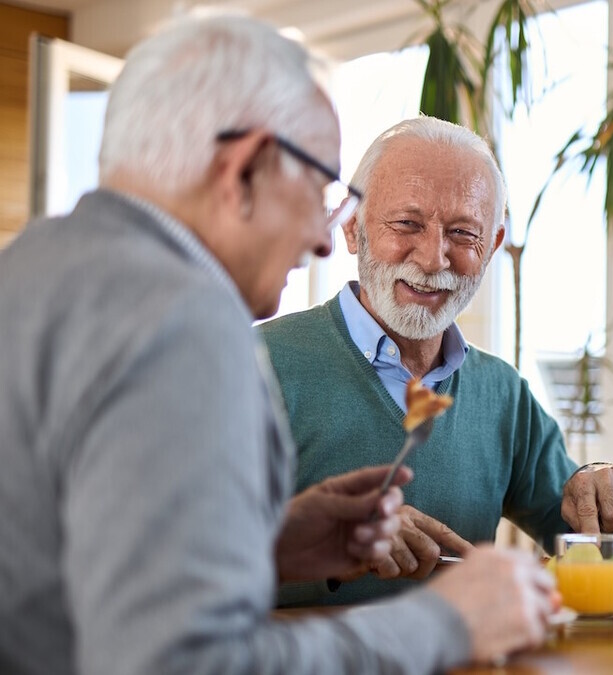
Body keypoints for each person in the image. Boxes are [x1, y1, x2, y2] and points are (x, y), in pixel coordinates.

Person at [0, 14, 557, 675]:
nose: (324, 238)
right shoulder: (185, 321)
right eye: (319, 190)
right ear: (244, 170)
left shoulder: (31, 268)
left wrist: (265, 545)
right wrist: (446, 623)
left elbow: (63, 566)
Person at [260, 116, 613, 605]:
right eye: (407, 224)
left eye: (463, 233)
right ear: (353, 228)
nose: (432, 259)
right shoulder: (255, 365)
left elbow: (598, 551)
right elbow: (187, 555)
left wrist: (608, 496)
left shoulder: (502, 395)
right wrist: (329, 543)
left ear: (492, 248)